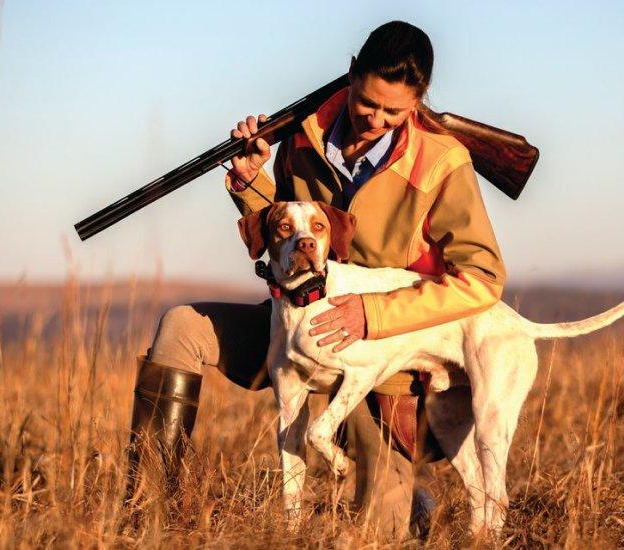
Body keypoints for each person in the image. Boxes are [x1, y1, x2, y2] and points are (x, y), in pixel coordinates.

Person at [126, 20, 506, 539]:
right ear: (350, 74)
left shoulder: (442, 162)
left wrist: (373, 315)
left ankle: (413, 501)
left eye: (394, 111)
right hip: (295, 324)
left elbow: (484, 278)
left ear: (420, 102)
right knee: (180, 327)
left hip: (383, 358)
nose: (375, 118)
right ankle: (151, 511)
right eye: (367, 102)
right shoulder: (303, 135)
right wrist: (248, 178)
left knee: (381, 532)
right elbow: (284, 233)